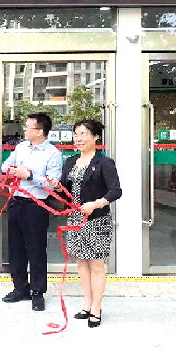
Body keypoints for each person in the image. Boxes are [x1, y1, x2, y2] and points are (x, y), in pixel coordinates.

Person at [48, 119, 121, 328]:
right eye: (76, 134)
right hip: (75, 219)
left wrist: (96, 204)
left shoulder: (104, 162)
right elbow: (66, 191)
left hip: (97, 220)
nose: (78, 138)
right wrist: (57, 186)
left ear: (95, 137)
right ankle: (87, 305)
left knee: (96, 265)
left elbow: (116, 191)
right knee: (81, 262)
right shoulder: (70, 162)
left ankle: (96, 308)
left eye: (83, 134)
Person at [0, 113, 62, 311]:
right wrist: (13, 171)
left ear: (40, 131)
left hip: (36, 206)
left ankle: (37, 292)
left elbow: (52, 184)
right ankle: (20, 288)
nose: (25, 129)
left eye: (28, 127)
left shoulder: (53, 154)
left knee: (36, 249)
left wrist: (30, 176)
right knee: (15, 249)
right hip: (16, 202)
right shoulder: (21, 147)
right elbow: (4, 166)